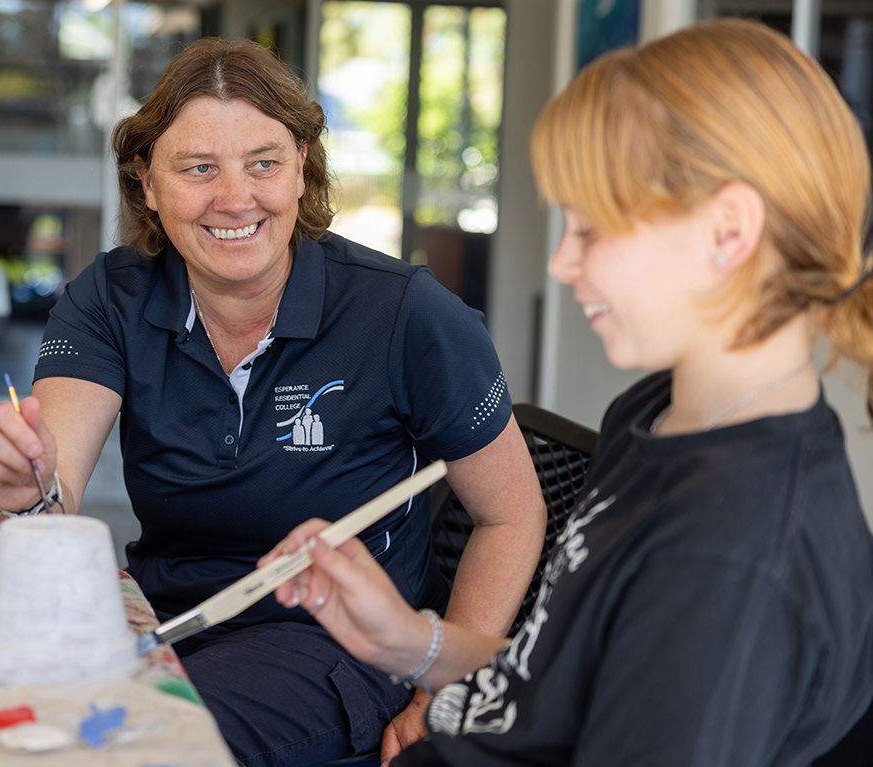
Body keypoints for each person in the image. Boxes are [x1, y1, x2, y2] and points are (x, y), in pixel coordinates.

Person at [266, 19, 873, 766]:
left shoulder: (730, 557)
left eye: (591, 229)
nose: (560, 262)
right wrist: (408, 639)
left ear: (727, 230)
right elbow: (555, 684)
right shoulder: (654, 413)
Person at [0, 37, 546, 767]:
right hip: (162, 622)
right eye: (198, 168)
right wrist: (23, 492)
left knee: (124, 746)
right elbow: (52, 497)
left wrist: (435, 690)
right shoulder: (111, 298)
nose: (234, 198)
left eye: (263, 163)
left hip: (335, 649)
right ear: (146, 183)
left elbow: (510, 512)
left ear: (302, 167)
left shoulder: (405, 313)